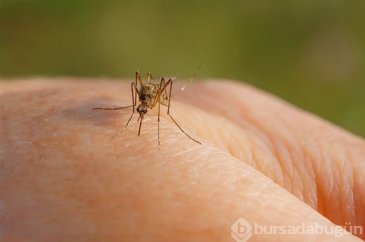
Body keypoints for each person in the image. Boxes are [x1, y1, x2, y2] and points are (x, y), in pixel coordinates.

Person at [1, 79, 364, 241]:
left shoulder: (155, 100)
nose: (142, 112)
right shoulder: (139, 100)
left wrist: (163, 114)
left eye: (142, 109)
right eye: (141, 108)